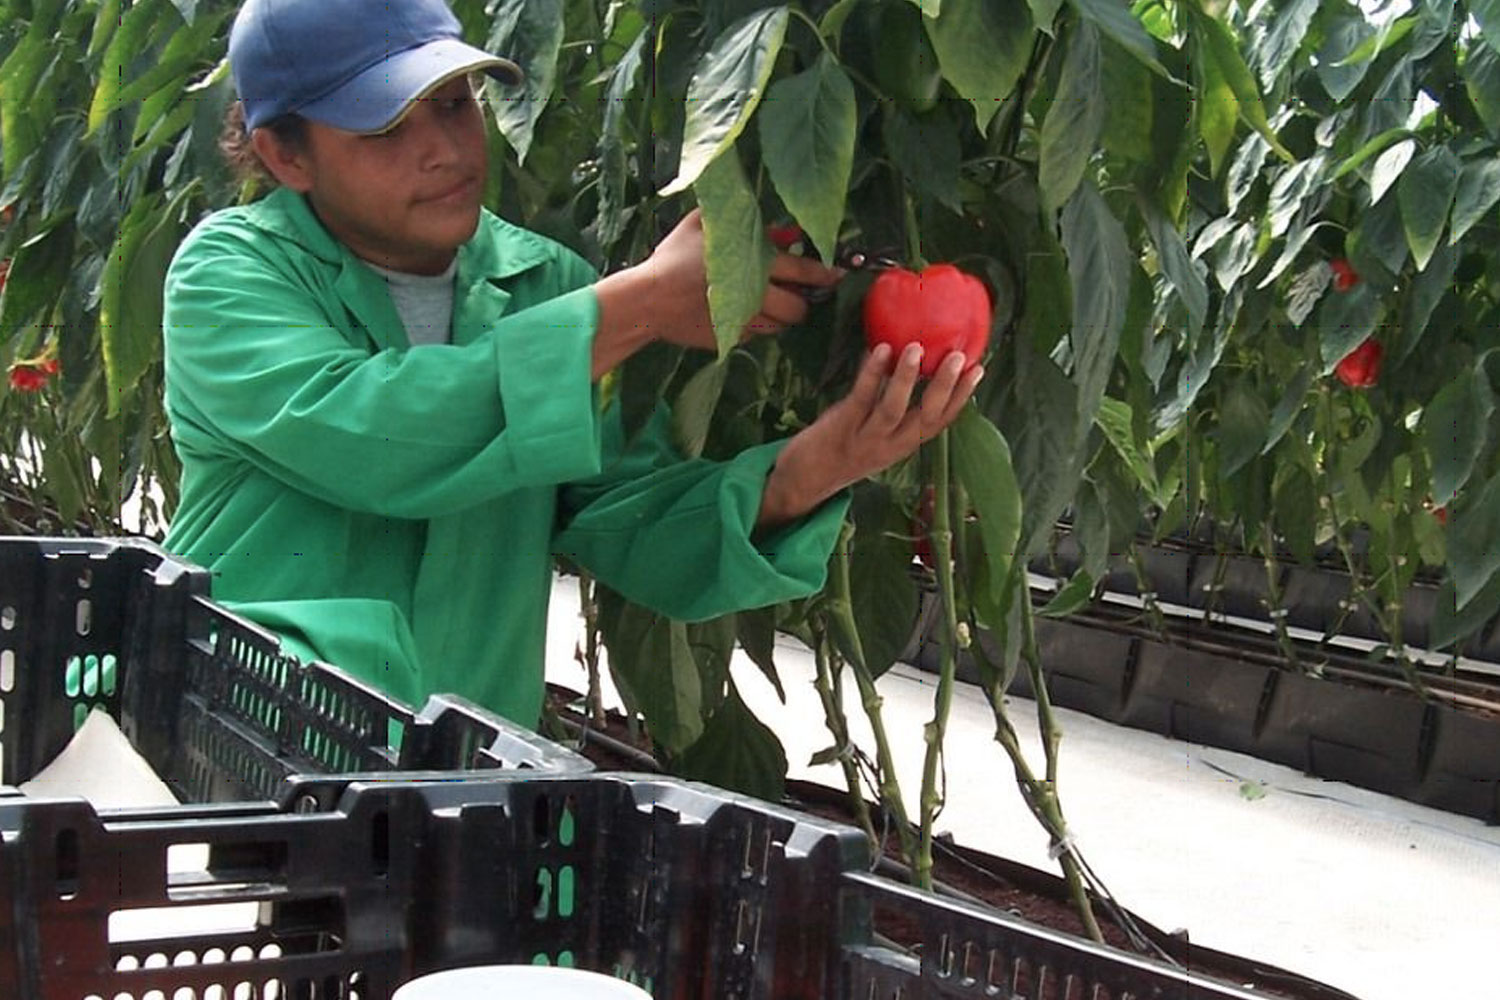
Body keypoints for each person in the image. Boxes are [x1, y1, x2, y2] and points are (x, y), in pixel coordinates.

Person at [161, 0, 983, 728]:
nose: (444, 149)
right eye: (384, 130)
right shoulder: (231, 274)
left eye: (453, 104)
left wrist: (817, 466)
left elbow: (631, 518)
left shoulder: (541, 281)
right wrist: (644, 303)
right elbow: (374, 434)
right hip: (247, 731)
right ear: (285, 156)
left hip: (454, 773)